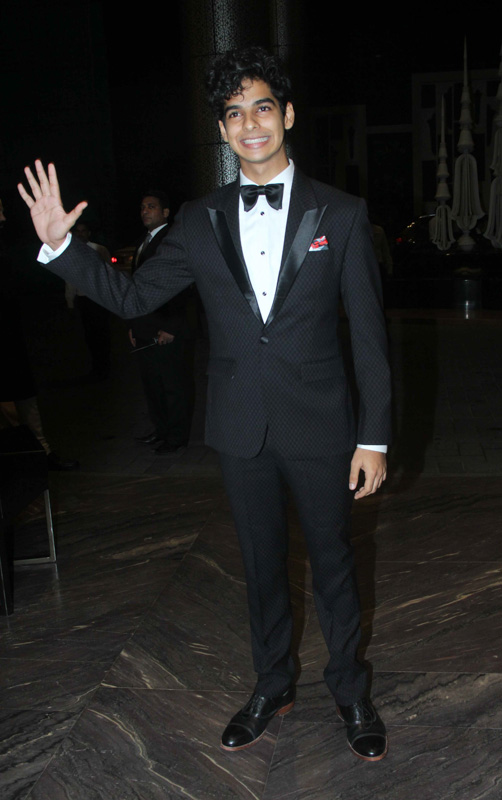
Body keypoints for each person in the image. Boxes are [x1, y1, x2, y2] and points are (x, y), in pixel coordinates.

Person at [18, 46, 391, 761]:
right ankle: (272, 685)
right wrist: (63, 249)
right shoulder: (199, 218)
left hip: (321, 426)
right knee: (260, 567)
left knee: (335, 565)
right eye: (234, 113)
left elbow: (370, 338)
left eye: (261, 108)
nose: (250, 124)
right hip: (240, 425)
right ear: (222, 130)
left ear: (286, 115)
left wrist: (372, 437)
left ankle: (351, 690)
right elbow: (133, 296)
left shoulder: (340, 214)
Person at [0, 198, 78, 470]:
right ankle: (28, 459)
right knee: (14, 403)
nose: (4, 213)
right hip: (8, 341)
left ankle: (39, 455)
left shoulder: (7, 244)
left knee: (25, 399)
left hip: (13, 338)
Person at [129, 192, 194, 454]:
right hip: (145, 328)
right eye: (142, 207)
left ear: (166, 212)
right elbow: (136, 289)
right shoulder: (143, 242)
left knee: (173, 386)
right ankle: (161, 429)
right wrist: (133, 326)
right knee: (153, 385)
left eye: (151, 206)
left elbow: (184, 287)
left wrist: (171, 327)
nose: (145, 211)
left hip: (166, 329)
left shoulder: (172, 240)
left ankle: (176, 436)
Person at [65, 221, 112, 381]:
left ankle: (105, 367)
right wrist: (70, 302)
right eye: (78, 231)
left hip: (99, 299)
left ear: (88, 233)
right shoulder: (71, 252)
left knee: (102, 334)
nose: (80, 234)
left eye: (83, 231)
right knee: (90, 335)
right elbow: (70, 280)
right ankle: (97, 367)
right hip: (84, 299)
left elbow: (109, 272)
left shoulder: (99, 249)